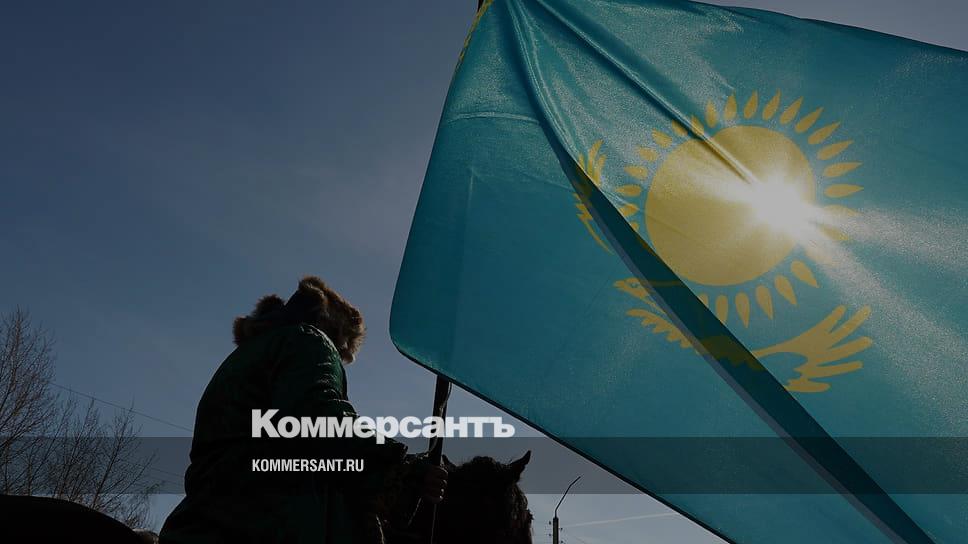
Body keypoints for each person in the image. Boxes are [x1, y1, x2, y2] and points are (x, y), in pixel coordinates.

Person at [159, 276, 447, 544]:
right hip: (266, 524)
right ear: (337, 331)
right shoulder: (310, 340)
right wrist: (400, 470)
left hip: (207, 521)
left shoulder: (247, 355)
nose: (340, 359)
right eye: (343, 352)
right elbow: (316, 417)